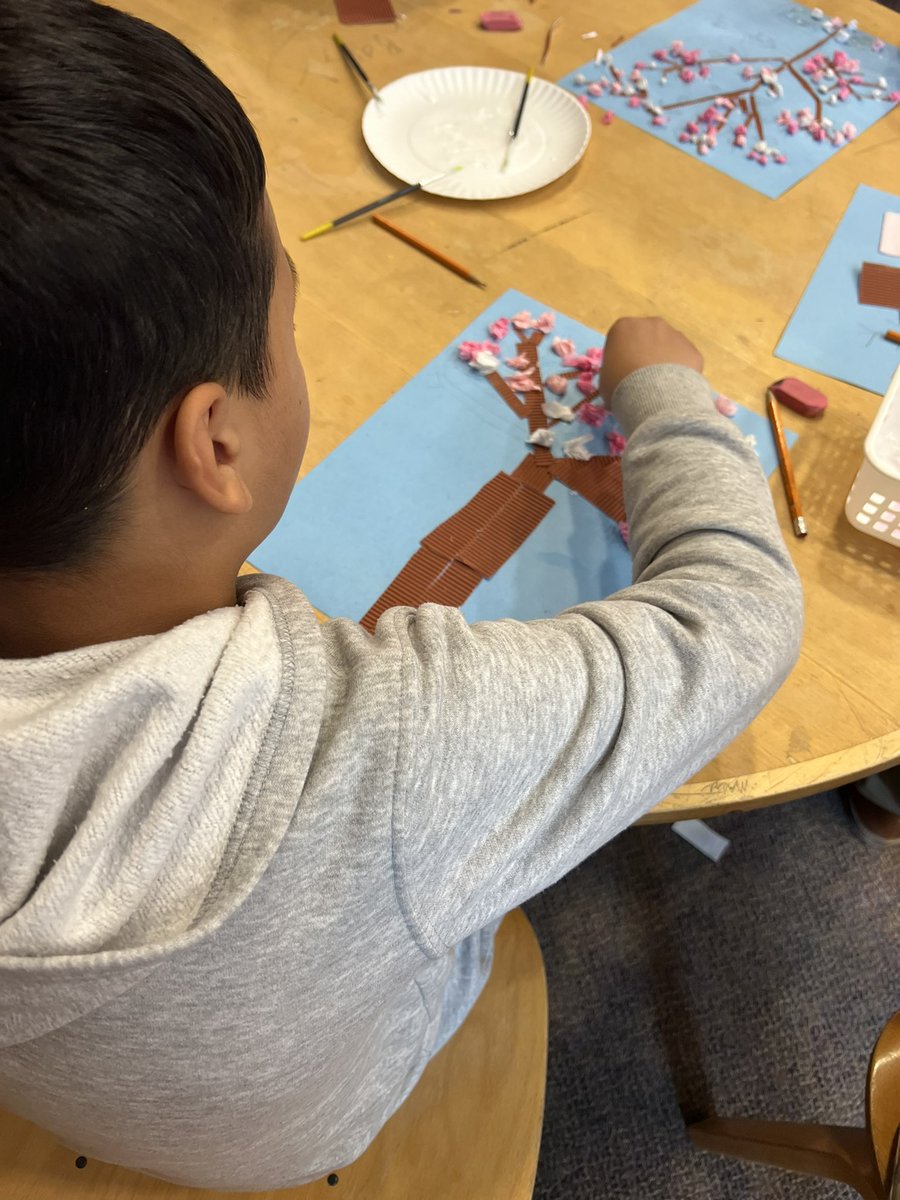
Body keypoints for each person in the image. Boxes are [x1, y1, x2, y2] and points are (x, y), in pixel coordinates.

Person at [0, 0, 803, 1190]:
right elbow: (736, 620)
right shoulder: (384, 750)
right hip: (316, 1126)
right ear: (214, 445)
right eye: (287, 311)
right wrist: (666, 394)